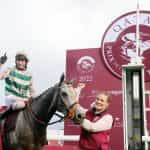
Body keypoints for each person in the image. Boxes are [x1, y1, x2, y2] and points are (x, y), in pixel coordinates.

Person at [0, 51, 36, 119]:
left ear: (26, 62)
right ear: (16, 61)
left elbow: (32, 91)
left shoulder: (29, 75)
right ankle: (3, 114)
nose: (20, 63)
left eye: (22, 61)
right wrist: (1, 63)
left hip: (24, 99)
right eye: (18, 60)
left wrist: (36, 100)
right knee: (21, 104)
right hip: (11, 97)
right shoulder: (10, 70)